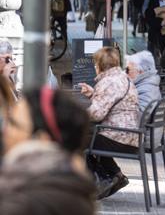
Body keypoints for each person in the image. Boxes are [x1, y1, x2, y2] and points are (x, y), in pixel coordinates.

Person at [0, 87, 95, 215]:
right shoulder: (63, 182)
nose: (4, 129)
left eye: (12, 123)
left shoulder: (29, 202)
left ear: (41, 139)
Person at [78, 47, 139, 199]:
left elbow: (97, 114)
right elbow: (109, 103)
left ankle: (100, 180)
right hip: (129, 134)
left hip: (119, 137)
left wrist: (74, 112)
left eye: (95, 63)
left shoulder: (108, 82)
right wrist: (93, 94)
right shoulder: (121, 78)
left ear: (99, 65)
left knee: (75, 138)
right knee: (90, 136)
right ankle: (115, 175)